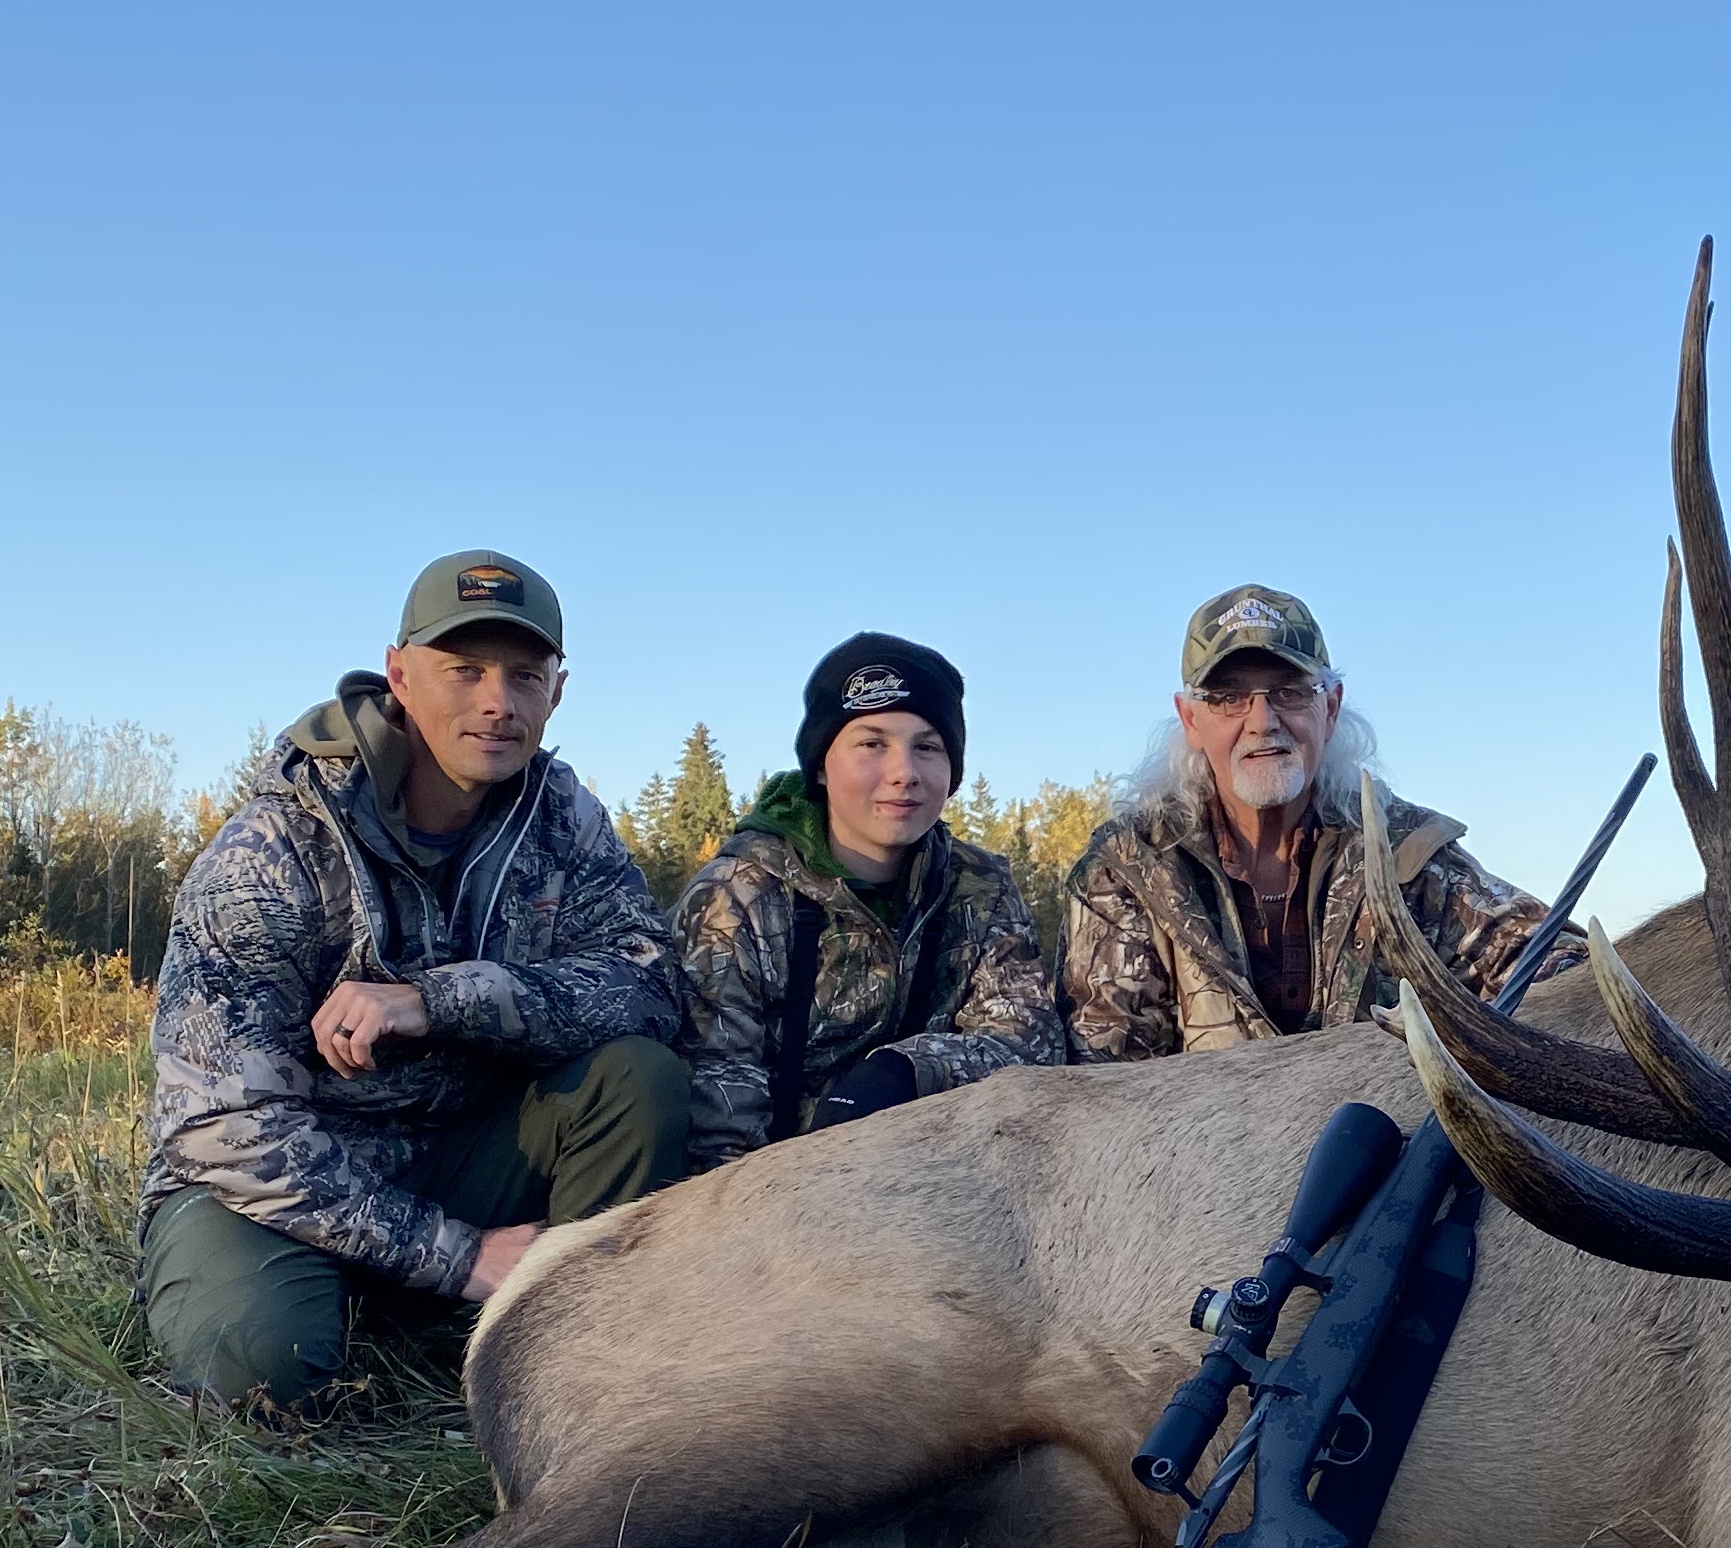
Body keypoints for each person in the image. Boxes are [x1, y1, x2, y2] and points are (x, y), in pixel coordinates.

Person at [139, 550, 691, 1409]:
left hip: (459, 1153)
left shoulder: (565, 822)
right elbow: (222, 1126)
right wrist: (460, 1255)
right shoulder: (273, 850)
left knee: (636, 1080)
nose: (496, 703)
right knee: (261, 1371)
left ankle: (575, 1352)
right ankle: (400, 1299)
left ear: (558, 689)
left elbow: (650, 988)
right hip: (273, 1188)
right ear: (399, 675)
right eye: (463, 670)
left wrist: (443, 1001)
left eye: (524, 676)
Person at [1059, 584, 1561, 1058]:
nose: (1262, 721)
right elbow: (1109, 1070)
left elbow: (1548, 962)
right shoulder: (1127, 870)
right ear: (1191, 720)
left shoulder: (1405, 850)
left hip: (1387, 1142)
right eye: (1229, 698)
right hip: (1189, 1146)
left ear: (1331, 707)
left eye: (1289, 692)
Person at [672, 631, 1066, 1167]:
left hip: (934, 1175)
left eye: (927, 747)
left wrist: (904, 1070)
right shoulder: (736, 897)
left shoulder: (982, 889)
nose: (903, 772)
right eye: (872, 743)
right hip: (770, 1190)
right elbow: (716, 1120)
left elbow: (1031, 1045)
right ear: (820, 764)